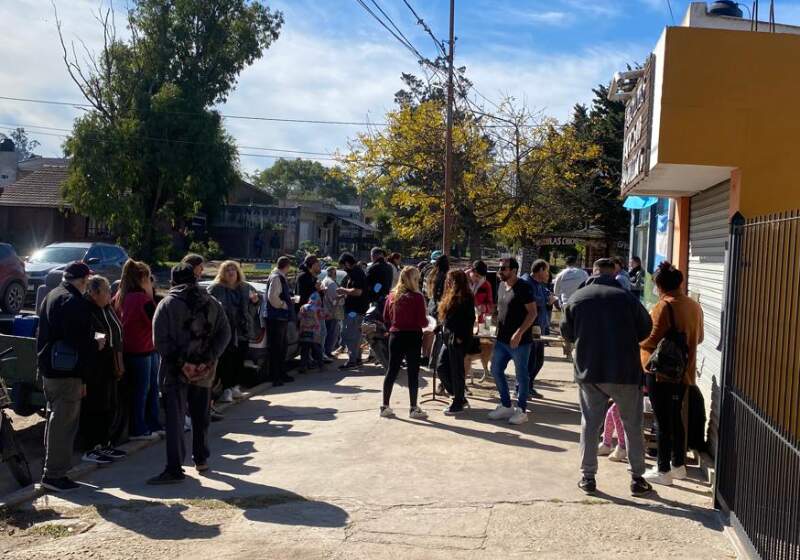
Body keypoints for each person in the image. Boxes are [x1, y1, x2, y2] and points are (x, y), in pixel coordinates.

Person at [560, 258, 654, 497]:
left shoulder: (577, 298)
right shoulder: (627, 299)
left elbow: (566, 332)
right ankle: (637, 479)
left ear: (593, 272)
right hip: (624, 371)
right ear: (614, 273)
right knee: (632, 425)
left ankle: (588, 477)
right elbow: (646, 329)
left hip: (590, 371)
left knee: (590, 424)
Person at [148, 263, 231, 484]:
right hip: (205, 371)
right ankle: (201, 459)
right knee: (201, 416)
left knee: (175, 420)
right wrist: (209, 358)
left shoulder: (166, 304)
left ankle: (175, 468)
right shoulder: (212, 302)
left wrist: (182, 363)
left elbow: (160, 340)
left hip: (175, 372)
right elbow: (225, 332)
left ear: (174, 281)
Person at [37, 261, 103, 491]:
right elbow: (80, 342)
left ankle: (52, 470)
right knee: (63, 425)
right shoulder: (74, 302)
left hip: (49, 368)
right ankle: (54, 474)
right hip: (66, 372)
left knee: (56, 421)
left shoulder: (53, 294)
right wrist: (97, 343)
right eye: (87, 281)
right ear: (83, 280)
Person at [640, 261, 704, 486]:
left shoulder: (663, 306)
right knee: (675, 418)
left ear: (660, 286)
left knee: (662, 420)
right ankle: (678, 465)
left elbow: (651, 339)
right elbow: (700, 337)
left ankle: (663, 469)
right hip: (684, 372)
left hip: (662, 372)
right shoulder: (694, 306)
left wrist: (637, 341)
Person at [115, 259, 163, 442]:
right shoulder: (143, 299)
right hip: (144, 350)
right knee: (145, 391)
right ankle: (141, 427)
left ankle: (147, 425)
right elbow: (156, 323)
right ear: (143, 278)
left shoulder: (120, 295)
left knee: (141, 390)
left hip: (129, 350)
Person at [81, 275, 126, 465]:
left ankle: (105, 443)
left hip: (109, 365)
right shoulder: (87, 309)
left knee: (109, 406)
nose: (111, 294)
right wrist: (101, 341)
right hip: (95, 368)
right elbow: (96, 334)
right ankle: (91, 447)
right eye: (107, 290)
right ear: (94, 293)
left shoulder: (106, 308)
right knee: (94, 407)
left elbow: (114, 331)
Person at [487, 258, 537, 425]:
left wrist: (519, 333)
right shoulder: (501, 286)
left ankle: (521, 410)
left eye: (504, 268)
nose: (500, 271)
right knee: (495, 369)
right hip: (501, 339)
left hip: (520, 341)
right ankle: (506, 404)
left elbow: (532, 313)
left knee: (521, 376)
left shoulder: (524, 287)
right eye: (499, 268)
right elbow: (500, 308)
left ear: (514, 270)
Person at [381, 266, 429, 419]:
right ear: (413, 279)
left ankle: (385, 405)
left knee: (392, 371)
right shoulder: (417, 297)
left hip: (395, 335)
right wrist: (428, 321)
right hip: (413, 336)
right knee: (413, 372)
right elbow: (422, 322)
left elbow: (386, 318)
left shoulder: (392, 296)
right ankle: (413, 408)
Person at [208, 260, 258, 403]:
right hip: (225, 330)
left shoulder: (245, 287)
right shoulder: (216, 288)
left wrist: (255, 302)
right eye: (227, 270)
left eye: (233, 270)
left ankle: (235, 386)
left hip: (242, 330)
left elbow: (253, 307)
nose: (231, 272)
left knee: (239, 360)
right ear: (222, 273)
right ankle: (226, 389)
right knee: (226, 361)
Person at [437, 269, 475, 415]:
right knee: (441, 367)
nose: (447, 281)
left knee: (456, 370)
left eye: (450, 279)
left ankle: (458, 401)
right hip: (448, 336)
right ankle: (458, 395)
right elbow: (447, 316)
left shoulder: (466, 296)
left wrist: (461, 336)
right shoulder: (450, 295)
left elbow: (470, 319)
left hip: (458, 338)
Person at [522, 259, 557, 399]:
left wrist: (550, 296)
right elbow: (531, 300)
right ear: (541, 270)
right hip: (530, 327)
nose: (548, 274)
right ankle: (522, 388)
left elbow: (546, 292)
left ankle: (529, 386)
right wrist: (545, 300)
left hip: (540, 328)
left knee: (538, 360)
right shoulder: (526, 282)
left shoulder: (539, 284)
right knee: (529, 360)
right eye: (547, 270)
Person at [263, 256, 296, 387]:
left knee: (281, 347)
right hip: (276, 317)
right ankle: (275, 376)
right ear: (287, 266)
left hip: (278, 317)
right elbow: (273, 298)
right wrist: (284, 305)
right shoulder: (277, 277)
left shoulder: (277, 276)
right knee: (277, 348)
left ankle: (280, 373)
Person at [337, 252, 369, 370]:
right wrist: (344, 294)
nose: (342, 269)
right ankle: (357, 359)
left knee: (349, 334)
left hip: (354, 311)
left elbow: (358, 291)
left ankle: (352, 361)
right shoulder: (356, 272)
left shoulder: (356, 273)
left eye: (342, 266)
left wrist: (343, 290)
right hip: (357, 309)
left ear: (346, 264)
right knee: (356, 335)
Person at [298, 292, 325, 372]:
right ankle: (321, 366)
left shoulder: (303, 307)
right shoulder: (318, 308)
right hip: (315, 332)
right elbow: (323, 316)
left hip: (304, 331)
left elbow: (298, 317)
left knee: (304, 350)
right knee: (317, 349)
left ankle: (303, 367)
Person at [321, 266, 343, 359]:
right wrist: (342, 296)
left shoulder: (324, 281)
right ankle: (328, 352)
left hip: (326, 311)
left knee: (328, 332)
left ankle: (326, 351)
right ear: (334, 273)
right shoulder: (332, 283)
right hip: (332, 312)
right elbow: (334, 299)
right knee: (332, 333)